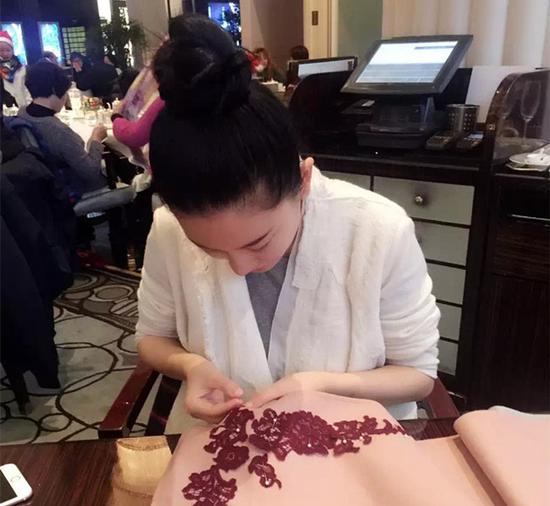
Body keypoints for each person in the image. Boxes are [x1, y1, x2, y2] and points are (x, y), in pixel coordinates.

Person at [136, 14, 439, 430]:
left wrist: (323, 386)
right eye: (208, 249)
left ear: (303, 181)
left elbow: (418, 374)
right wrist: (190, 365)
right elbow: (152, 338)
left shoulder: (378, 231)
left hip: (350, 444)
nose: (238, 267)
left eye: (257, 242)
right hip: (220, 440)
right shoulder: (169, 229)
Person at [17, 61, 108, 200]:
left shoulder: (22, 113)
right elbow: (90, 173)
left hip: (44, 187)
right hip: (73, 189)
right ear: (55, 90)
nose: (66, 98)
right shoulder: (58, 130)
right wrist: (96, 139)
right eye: (65, 93)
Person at [0, 30, 31, 107]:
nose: (5, 53)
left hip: (25, 110)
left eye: (8, 50)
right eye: (1, 50)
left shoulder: (23, 69)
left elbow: (28, 91)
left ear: (12, 51)